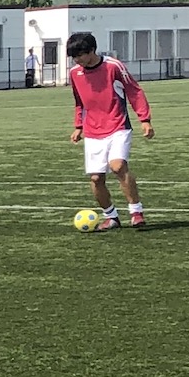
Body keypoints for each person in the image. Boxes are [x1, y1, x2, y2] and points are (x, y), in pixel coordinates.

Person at [65, 31, 152, 229]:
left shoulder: (113, 66)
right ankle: (111, 217)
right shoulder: (75, 73)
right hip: (92, 131)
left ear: (92, 50)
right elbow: (79, 101)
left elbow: (134, 91)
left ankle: (136, 212)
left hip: (117, 125)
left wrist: (145, 119)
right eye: (74, 57)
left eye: (80, 55)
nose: (77, 60)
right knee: (96, 178)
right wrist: (78, 126)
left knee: (118, 166)